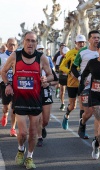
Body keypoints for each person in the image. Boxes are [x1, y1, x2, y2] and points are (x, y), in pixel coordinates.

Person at [1, 31, 53, 169]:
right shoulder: (15, 56)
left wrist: (46, 79)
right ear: (23, 42)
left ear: (36, 43)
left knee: (33, 132)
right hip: (20, 99)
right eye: (28, 40)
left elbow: (51, 75)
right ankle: (20, 148)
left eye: (33, 41)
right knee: (23, 133)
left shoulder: (42, 58)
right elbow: (3, 71)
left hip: (36, 99)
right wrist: (7, 85)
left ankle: (29, 157)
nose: (30, 44)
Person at [71, 30, 100, 139]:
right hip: (85, 86)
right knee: (87, 111)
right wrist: (80, 78)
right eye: (94, 37)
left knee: (97, 110)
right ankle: (82, 125)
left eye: (98, 37)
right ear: (89, 40)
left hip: (99, 86)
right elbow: (74, 67)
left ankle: (98, 135)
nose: (96, 39)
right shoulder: (83, 52)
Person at [59, 35, 86, 130]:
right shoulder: (70, 53)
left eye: (83, 42)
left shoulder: (86, 52)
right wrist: (70, 72)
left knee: (82, 105)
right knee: (73, 106)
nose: (81, 44)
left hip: (82, 83)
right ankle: (66, 115)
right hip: (72, 83)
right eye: (79, 42)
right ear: (75, 43)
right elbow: (61, 66)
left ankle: (81, 127)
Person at [36, 45, 58, 147]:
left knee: (45, 120)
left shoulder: (47, 68)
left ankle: (43, 127)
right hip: (35, 95)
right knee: (38, 118)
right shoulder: (31, 66)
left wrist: (47, 83)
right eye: (38, 51)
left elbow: (56, 81)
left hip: (46, 94)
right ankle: (39, 137)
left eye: (42, 51)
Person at [0, 38, 18, 137]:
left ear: (17, 46)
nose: (12, 46)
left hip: (16, 84)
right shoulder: (1, 56)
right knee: (6, 107)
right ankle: (5, 115)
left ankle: (13, 128)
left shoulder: (19, 56)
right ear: (7, 45)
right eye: (10, 44)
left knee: (14, 107)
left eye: (14, 45)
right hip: (4, 83)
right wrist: (4, 73)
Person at [56, 46, 70, 111]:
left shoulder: (71, 58)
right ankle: (62, 103)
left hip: (69, 77)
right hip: (62, 76)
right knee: (62, 91)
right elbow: (56, 68)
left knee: (70, 91)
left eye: (67, 54)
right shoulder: (59, 58)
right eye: (64, 54)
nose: (65, 55)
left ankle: (70, 103)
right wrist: (61, 70)